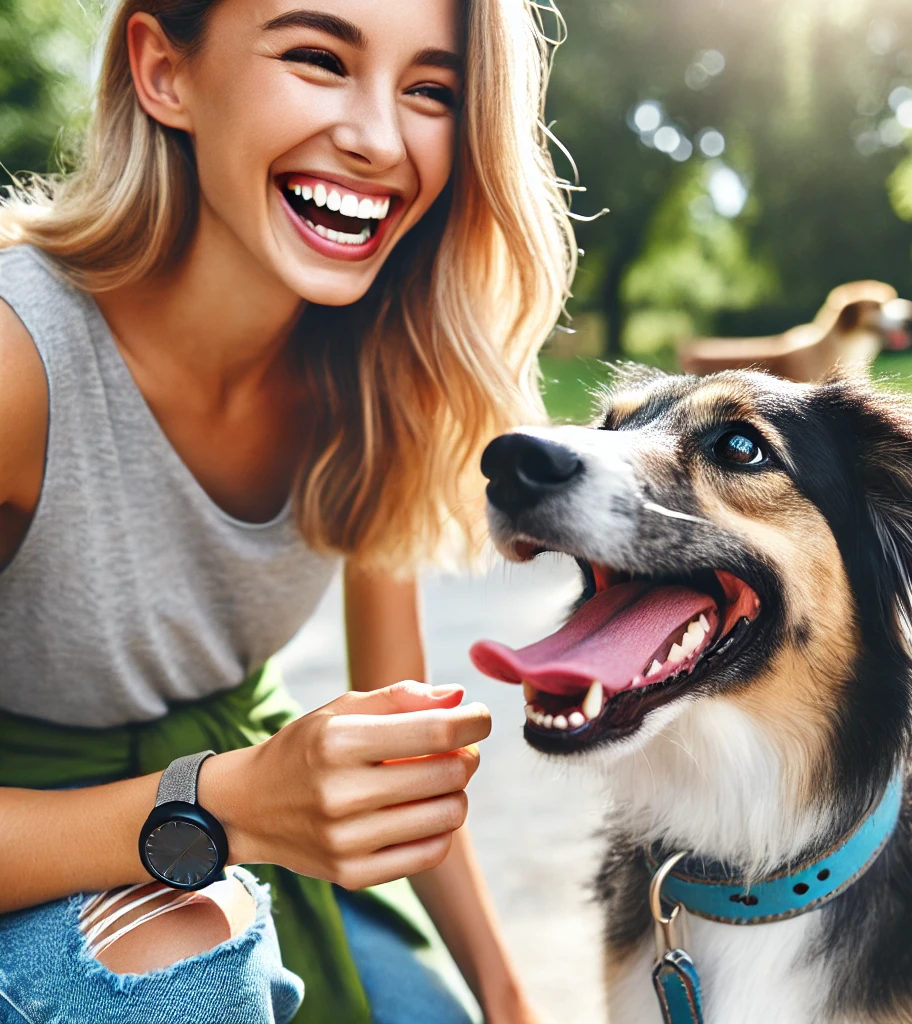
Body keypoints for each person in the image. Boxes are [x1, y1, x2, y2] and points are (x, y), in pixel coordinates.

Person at [0, 0, 574, 1021]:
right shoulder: (16, 362)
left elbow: (404, 733)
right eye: (317, 57)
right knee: (187, 972)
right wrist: (224, 804)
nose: (378, 137)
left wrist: (503, 986)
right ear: (163, 70)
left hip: (234, 828)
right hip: (49, 854)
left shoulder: (375, 376)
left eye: (431, 91)